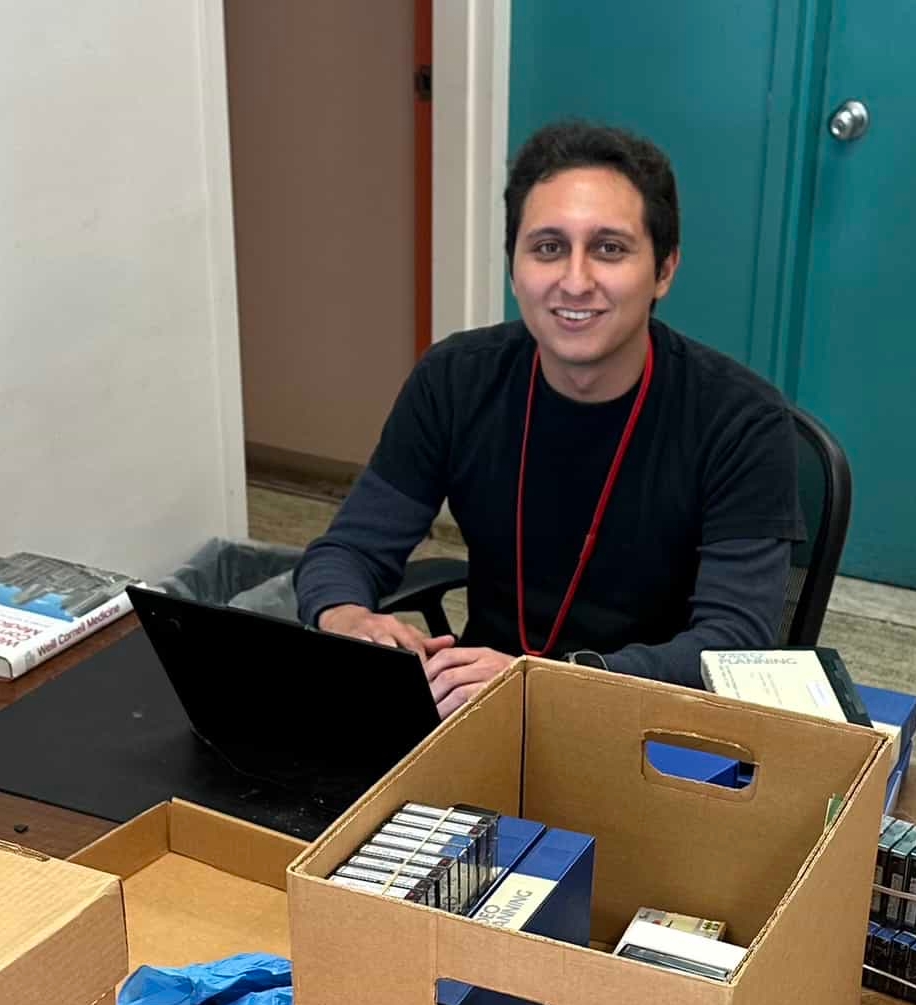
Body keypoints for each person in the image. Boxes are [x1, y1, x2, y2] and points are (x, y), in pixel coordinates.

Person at [295, 119, 804, 716]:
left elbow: (733, 646)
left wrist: (545, 683)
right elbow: (347, 551)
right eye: (548, 247)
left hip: (651, 722)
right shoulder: (455, 379)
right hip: (477, 710)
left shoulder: (741, 419)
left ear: (664, 269)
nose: (575, 280)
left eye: (609, 249)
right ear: (514, 265)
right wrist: (346, 614)